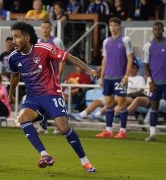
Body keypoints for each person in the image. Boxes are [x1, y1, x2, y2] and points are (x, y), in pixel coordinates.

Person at [8, 22, 99, 173]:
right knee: (22, 119)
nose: (14, 41)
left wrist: (88, 70)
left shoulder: (44, 49)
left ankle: (85, 161)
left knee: (63, 128)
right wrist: (11, 93)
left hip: (51, 93)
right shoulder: (13, 58)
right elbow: (15, 75)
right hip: (33, 98)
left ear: (27, 38)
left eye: (17, 37)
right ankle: (44, 155)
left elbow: (67, 57)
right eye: (13, 37)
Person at [95, 17, 133, 139]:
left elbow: (130, 59)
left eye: (115, 25)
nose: (112, 27)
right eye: (110, 25)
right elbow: (104, 60)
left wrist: (126, 75)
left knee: (121, 102)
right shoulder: (106, 41)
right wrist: (102, 76)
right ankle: (108, 130)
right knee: (109, 103)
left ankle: (122, 131)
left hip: (120, 77)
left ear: (119, 26)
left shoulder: (125, 40)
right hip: (108, 77)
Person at [143, 21, 166, 142]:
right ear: (152, 31)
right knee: (154, 106)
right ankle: (152, 134)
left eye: (158, 29)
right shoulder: (148, 46)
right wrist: (150, 81)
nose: (156, 32)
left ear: (162, 30)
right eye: (154, 30)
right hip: (155, 82)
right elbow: (146, 66)